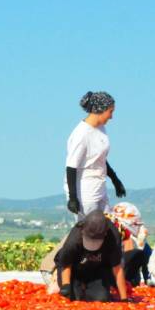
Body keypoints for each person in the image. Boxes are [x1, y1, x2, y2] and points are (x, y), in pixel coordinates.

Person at [65, 91, 126, 219]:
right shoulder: (81, 134)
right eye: (110, 111)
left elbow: (99, 158)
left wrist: (115, 179)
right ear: (100, 110)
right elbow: (71, 166)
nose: (111, 116)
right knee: (91, 232)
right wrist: (73, 198)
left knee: (108, 226)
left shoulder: (101, 129)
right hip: (85, 193)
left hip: (99, 187)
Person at [54, 210, 129, 302]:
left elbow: (117, 268)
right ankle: (61, 281)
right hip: (74, 269)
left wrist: (124, 298)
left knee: (101, 299)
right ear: (83, 231)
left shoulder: (113, 237)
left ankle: (87, 286)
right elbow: (66, 263)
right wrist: (66, 285)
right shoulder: (75, 238)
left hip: (97, 270)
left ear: (105, 234)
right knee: (73, 297)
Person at [109, 202, 150, 286]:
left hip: (127, 276)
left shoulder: (138, 237)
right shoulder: (110, 235)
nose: (138, 227)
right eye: (135, 224)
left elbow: (146, 255)